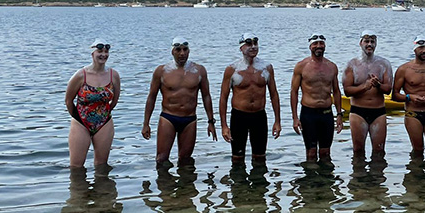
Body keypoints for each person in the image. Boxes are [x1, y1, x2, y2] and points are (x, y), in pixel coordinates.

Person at [142, 37, 216, 166]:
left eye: (185, 49)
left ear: (189, 51)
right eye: (178, 50)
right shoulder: (162, 71)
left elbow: (206, 96)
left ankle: (186, 185)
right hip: (168, 118)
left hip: (189, 119)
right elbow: (151, 97)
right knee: (161, 159)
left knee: (185, 159)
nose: (182, 53)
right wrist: (146, 123)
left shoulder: (199, 70)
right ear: (172, 51)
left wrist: (211, 121)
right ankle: (164, 184)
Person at [219, 33, 281, 162]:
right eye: (249, 44)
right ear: (241, 48)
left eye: (255, 44)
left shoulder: (266, 68)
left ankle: (259, 181)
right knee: (237, 158)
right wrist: (224, 125)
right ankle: (239, 182)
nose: (253, 47)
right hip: (239, 117)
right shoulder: (232, 69)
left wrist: (277, 121)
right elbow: (223, 97)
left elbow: (274, 94)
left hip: (259, 116)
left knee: (260, 158)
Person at [66, 40, 121, 168]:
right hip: (81, 122)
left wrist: (105, 113)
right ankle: (79, 188)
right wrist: (78, 117)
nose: (103, 55)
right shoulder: (80, 75)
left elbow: (115, 99)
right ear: (92, 54)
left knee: (101, 166)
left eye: (106, 52)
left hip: (104, 122)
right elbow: (68, 100)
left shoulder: (114, 75)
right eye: (100, 51)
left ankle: (102, 188)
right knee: (76, 167)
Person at [291, 33, 344, 161]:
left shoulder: (332, 66)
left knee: (325, 153)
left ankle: (325, 179)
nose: (318, 46)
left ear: (325, 46)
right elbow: (294, 91)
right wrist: (295, 118)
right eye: (315, 44)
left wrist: (339, 114)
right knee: (311, 153)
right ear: (310, 47)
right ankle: (311, 180)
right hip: (308, 113)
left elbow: (336, 91)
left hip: (326, 113)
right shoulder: (301, 66)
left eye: (321, 43)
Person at [343, 30, 393, 157]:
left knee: (379, 151)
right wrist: (364, 87)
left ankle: (377, 176)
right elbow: (347, 91)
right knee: (358, 151)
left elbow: (388, 89)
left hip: (378, 112)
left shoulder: (384, 64)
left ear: (376, 44)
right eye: (366, 41)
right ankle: (359, 176)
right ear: (360, 43)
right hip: (358, 112)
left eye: (372, 41)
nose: (369, 44)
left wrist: (378, 85)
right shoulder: (352, 65)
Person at [392, 36, 425, 155]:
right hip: (413, 114)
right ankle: (416, 172)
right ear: (415, 49)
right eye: (421, 48)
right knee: (418, 151)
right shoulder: (404, 69)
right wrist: (409, 97)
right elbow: (394, 95)